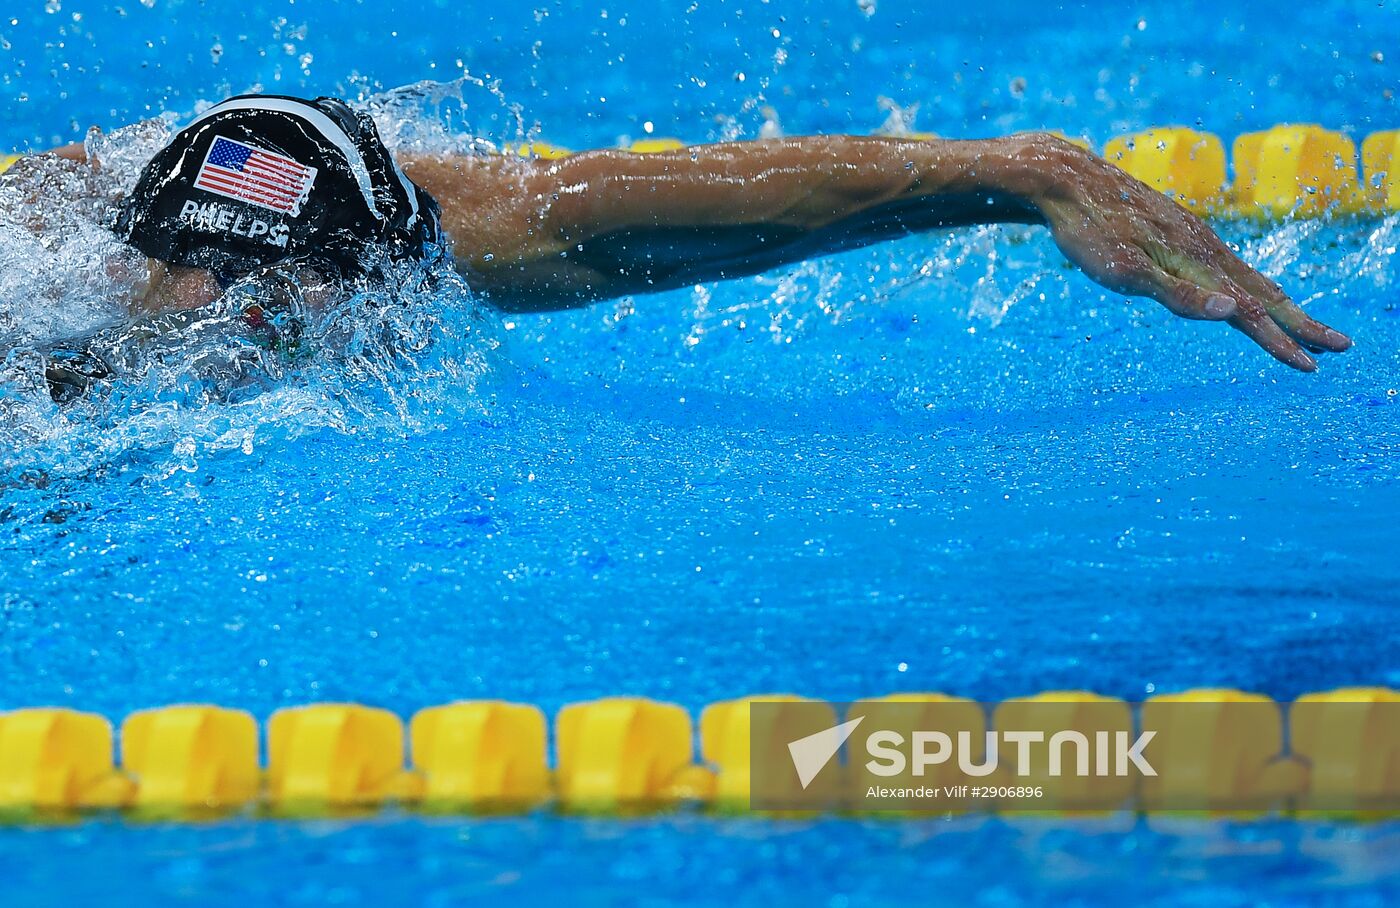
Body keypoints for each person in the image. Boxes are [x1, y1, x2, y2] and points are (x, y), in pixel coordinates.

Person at [8, 93, 1352, 400]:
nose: (247, 327)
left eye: (302, 299)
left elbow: (625, 217)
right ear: (152, 254)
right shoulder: (46, 276)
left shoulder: (423, 232)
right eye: (224, 288)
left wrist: (1011, 177)